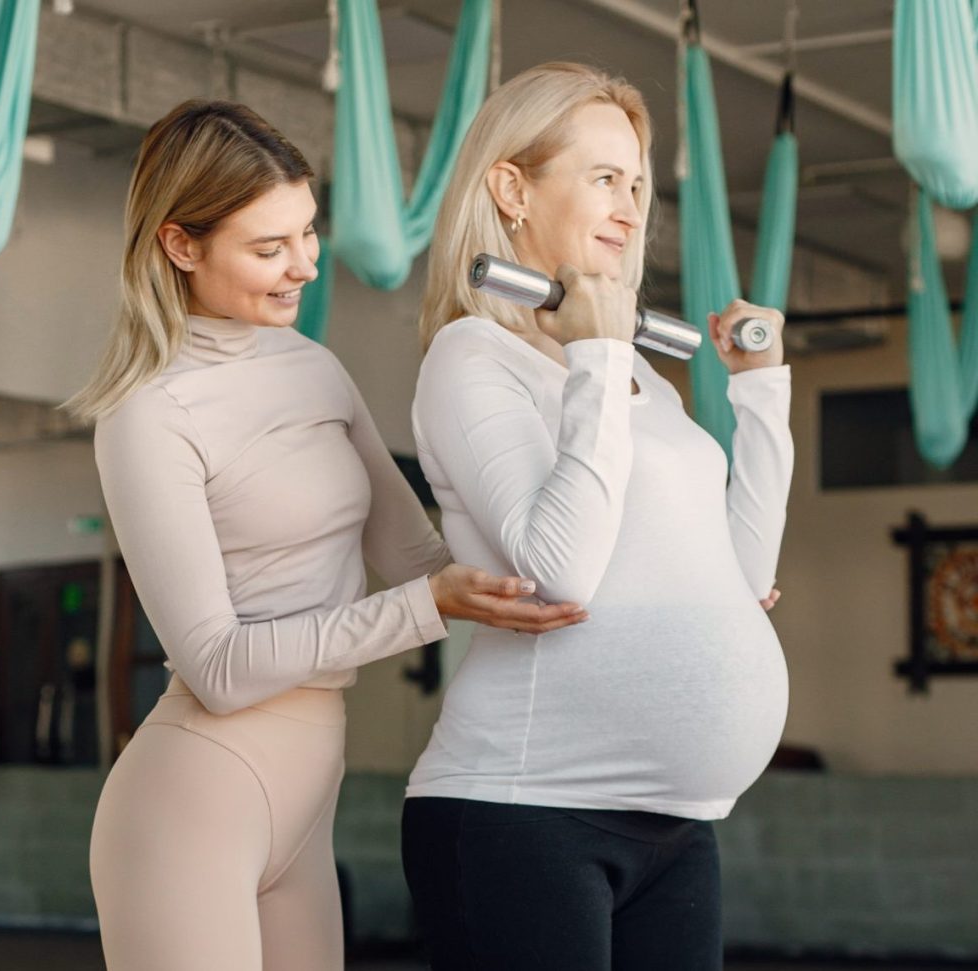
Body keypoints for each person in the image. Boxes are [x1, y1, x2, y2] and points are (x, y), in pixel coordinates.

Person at [65, 100, 588, 971]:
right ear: (180, 244)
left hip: (306, 805)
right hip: (192, 798)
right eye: (269, 247)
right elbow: (219, 668)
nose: (305, 265)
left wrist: (677, 576)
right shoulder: (147, 413)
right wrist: (426, 607)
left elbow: (426, 558)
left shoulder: (315, 368)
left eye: (308, 232)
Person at [401, 62, 793, 971]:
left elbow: (744, 574)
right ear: (512, 189)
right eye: (605, 178)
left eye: (639, 186)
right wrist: (598, 358)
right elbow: (559, 573)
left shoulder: (637, 374)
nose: (630, 208)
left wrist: (761, 394)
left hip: (675, 827)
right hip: (525, 808)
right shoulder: (473, 356)